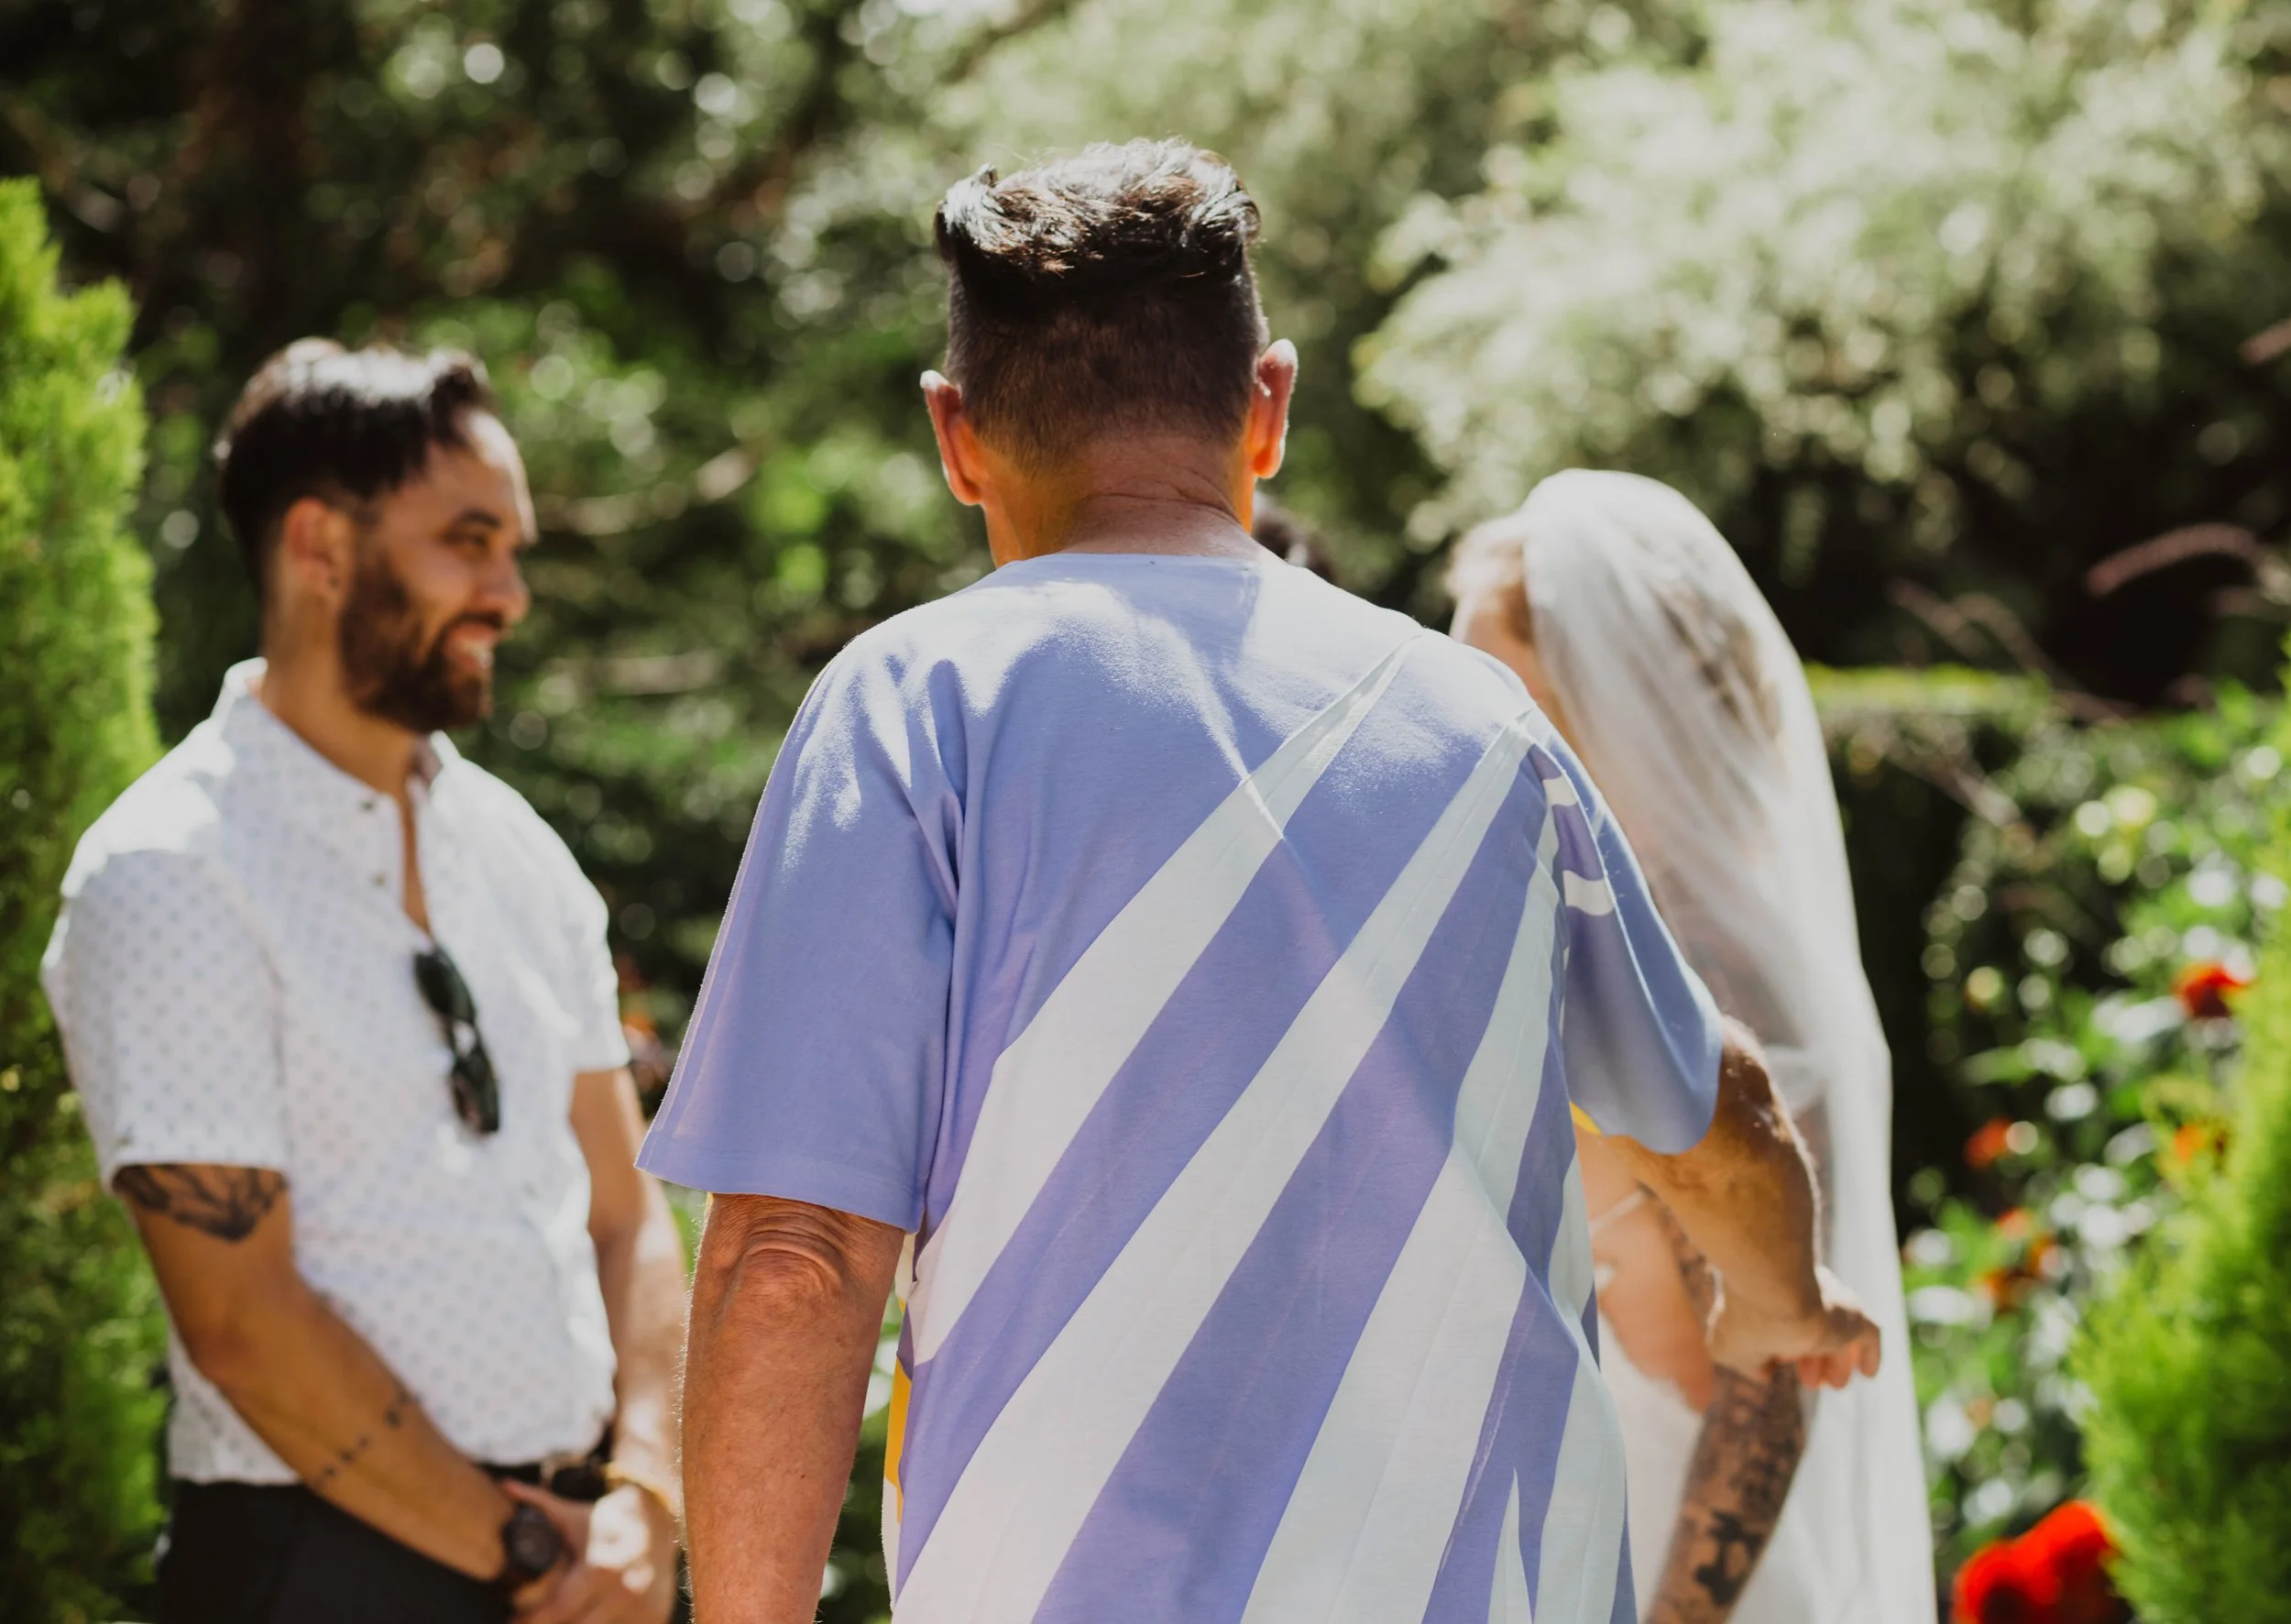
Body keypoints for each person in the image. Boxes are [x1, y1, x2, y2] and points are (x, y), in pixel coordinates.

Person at [642, 138, 1880, 1624]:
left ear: (955, 436)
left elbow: (792, 1256)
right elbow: (1719, 1119)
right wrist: (1786, 1298)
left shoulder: (913, 709)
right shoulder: (1487, 730)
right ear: (1269, 406)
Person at [40, 342, 685, 1624]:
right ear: (320, 548)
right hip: (326, 1571)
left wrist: (646, 1497)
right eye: (468, 540)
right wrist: (529, 1552)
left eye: (514, 548)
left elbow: (626, 1215)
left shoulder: (520, 849)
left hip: (584, 1559)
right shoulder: (170, 870)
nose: (508, 592)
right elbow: (243, 1322)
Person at [1447, 470, 1935, 1624]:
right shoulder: (1590, 926)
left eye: (1492, 681)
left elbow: (1769, 1374)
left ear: (1596, 704)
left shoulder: (1701, 964)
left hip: (1684, 1563)